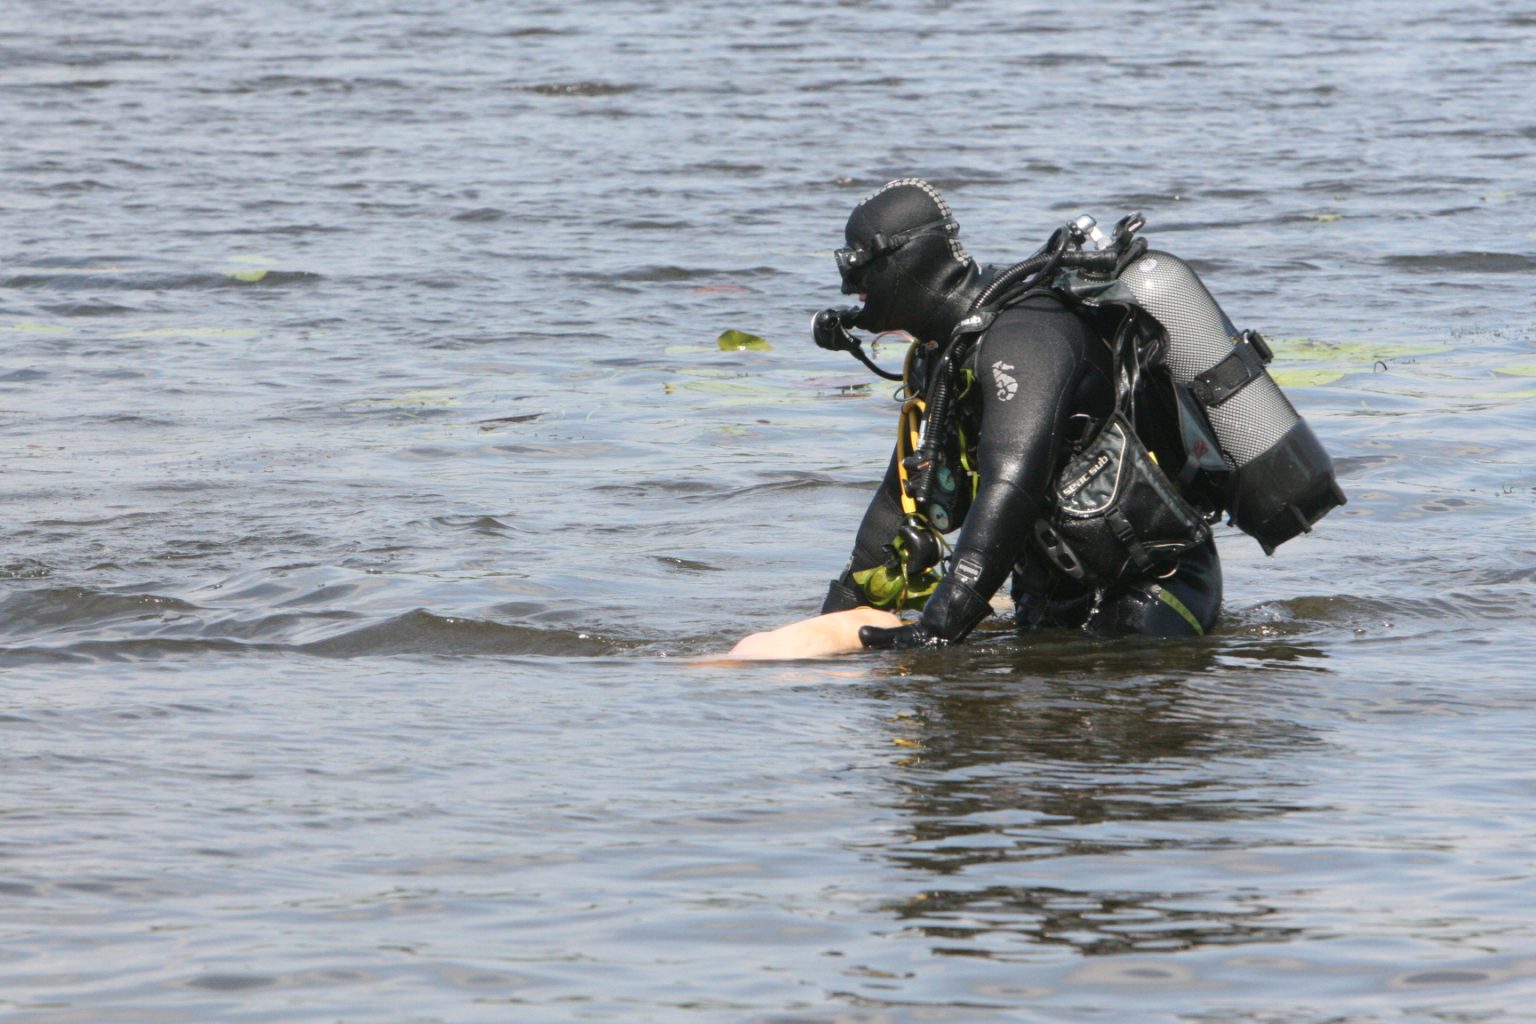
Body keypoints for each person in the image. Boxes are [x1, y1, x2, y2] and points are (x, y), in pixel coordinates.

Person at [732, 176, 1343, 659]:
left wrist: (939, 630)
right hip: (1053, 595)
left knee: (1098, 708)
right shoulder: (940, 363)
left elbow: (1011, 486)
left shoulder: (1024, 337)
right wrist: (831, 621)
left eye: (858, 270)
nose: (850, 291)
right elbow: (897, 506)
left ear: (901, 262)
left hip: (1156, 587)